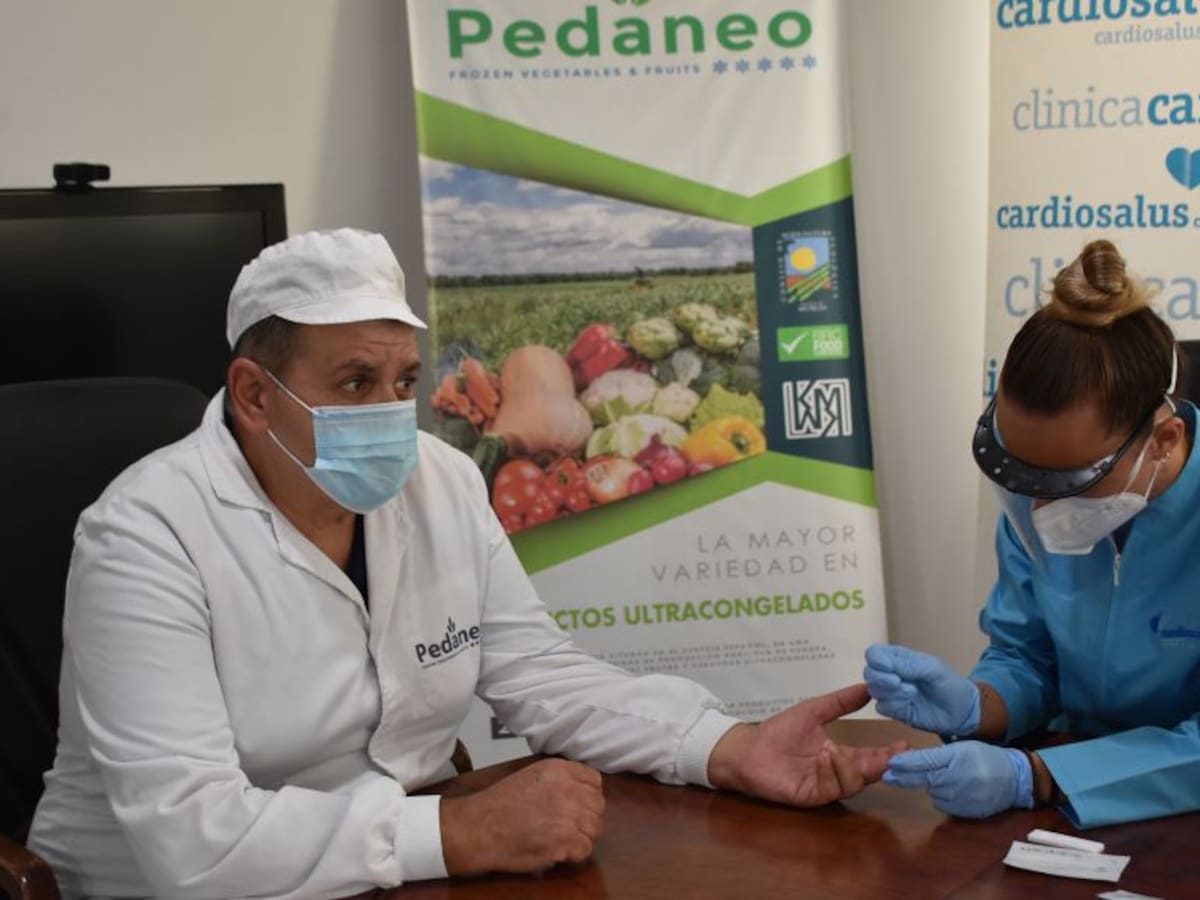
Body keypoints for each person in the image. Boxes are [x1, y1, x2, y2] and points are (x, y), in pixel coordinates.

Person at [28, 228, 899, 899]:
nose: (390, 412)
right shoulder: (145, 537)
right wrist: (458, 834)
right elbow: (191, 841)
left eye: (405, 382)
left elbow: (539, 677)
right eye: (356, 383)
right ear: (256, 394)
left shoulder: (439, 479)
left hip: (391, 870)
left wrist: (728, 747)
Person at [864, 239, 1200, 829]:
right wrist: (979, 706)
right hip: (1071, 805)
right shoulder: (1039, 495)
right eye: (1023, 475)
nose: (1041, 507)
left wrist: (1038, 776)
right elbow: (1028, 655)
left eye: (1068, 481)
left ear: (1164, 441)